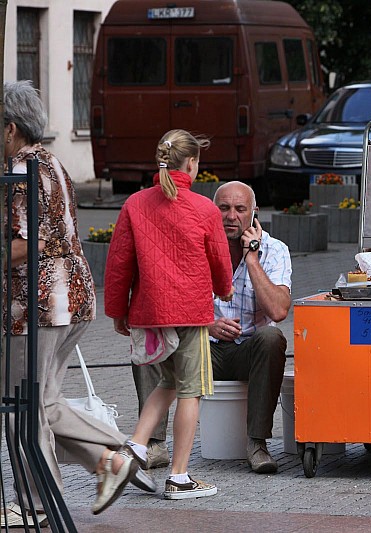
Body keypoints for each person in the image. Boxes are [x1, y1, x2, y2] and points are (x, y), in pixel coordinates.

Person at [2, 79, 139, 522]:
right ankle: (113, 459)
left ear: (10, 128)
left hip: (37, 306)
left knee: (20, 407)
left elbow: (26, 244)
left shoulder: (19, 171)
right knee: (43, 403)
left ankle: (39, 504)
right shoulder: (53, 162)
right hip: (72, 300)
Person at [105, 129, 233, 499]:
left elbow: (118, 264)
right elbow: (220, 261)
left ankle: (135, 447)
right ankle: (179, 476)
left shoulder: (135, 204)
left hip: (149, 312)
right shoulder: (205, 208)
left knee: (168, 383)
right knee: (190, 391)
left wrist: (117, 310)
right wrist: (224, 289)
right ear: (191, 164)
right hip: (191, 312)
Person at [133, 180, 291, 474]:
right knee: (153, 340)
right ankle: (153, 444)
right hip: (201, 346)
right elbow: (169, 302)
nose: (232, 216)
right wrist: (206, 324)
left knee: (272, 337)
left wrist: (251, 258)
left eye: (240, 209)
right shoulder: (194, 243)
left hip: (249, 352)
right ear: (211, 210)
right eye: (224, 208)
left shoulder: (275, 249)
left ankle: (257, 444)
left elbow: (279, 310)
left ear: (254, 213)